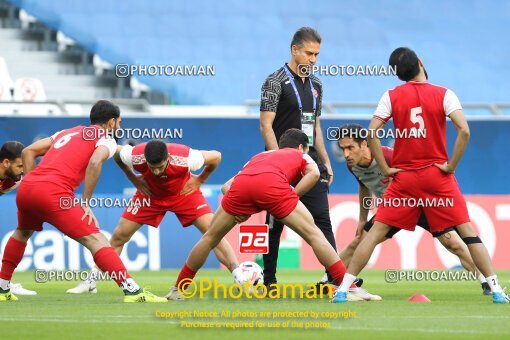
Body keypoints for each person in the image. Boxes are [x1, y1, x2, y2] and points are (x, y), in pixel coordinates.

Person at [332, 48, 509, 304]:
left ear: (397, 75)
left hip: (404, 179)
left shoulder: (391, 96)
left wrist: (386, 170)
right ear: (421, 63)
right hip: (437, 177)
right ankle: (496, 290)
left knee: (371, 235)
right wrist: (450, 166)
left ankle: (342, 290)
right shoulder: (444, 94)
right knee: (468, 234)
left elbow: (371, 133)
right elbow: (465, 131)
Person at [170, 129, 378, 301]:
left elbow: (226, 187)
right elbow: (314, 174)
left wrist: (242, 212)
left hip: (241, 188)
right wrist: (291, 197)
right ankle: (346, 288)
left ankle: (178, 288)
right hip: (274, 188)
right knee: (314, 234)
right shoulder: (302, 154)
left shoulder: (258, 156)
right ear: (301, 147)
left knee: (209, 239)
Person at [0, 100, 166, 302]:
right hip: (54, 192)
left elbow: (28, 152)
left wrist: (32, 181)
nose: (119, 127)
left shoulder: (67, 132)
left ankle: (2, 287)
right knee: (96, 240)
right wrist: (86, 202)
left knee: (22, 232)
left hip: (27, 189)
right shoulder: (106, 138)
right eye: (119, 122)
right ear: (111, 122)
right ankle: (133, 291)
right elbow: (96, 161)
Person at [66, 140, 238, 300]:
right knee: (119, 235)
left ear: (168, 158)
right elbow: (117, 154)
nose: (156, 171)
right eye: (152, 167)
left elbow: (216, 156)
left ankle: (239, 275)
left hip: (184, 194)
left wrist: (199, 180)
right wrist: (134, 179)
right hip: (150, 196)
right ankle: (91, 281)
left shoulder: (186, 158)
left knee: (214, 234)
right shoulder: (135, 155)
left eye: (160, 167)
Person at [335, 123, 490, 295]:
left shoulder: (388, 155)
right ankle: (332, 279)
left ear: (364, 144)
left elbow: (414, 175)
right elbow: (364, 187)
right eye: (343, 149)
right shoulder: (353, 165)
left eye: (350, 147)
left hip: (419, 204)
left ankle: (485, 281)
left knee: (453, 244)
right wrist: (362, 219)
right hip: (394, 208)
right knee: (360, 241)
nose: (346, 154)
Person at [259, 27, 337, 289]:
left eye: (316, 54)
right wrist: (275, 160)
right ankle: (269, 281)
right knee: (274, 225)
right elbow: (266, 126)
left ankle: (336, 278)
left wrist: (325, 161)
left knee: (322, 220)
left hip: (310, 164)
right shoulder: (274, 81)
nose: (313, 59)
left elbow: (315, 127)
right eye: (309, 53)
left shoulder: (317, 85)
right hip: (281, 165)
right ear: (294, 50)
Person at [0, 141, 37, 296]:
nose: (23, 171)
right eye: (20, 166)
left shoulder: (11, 180)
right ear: (6, 162)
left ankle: (3, 283)